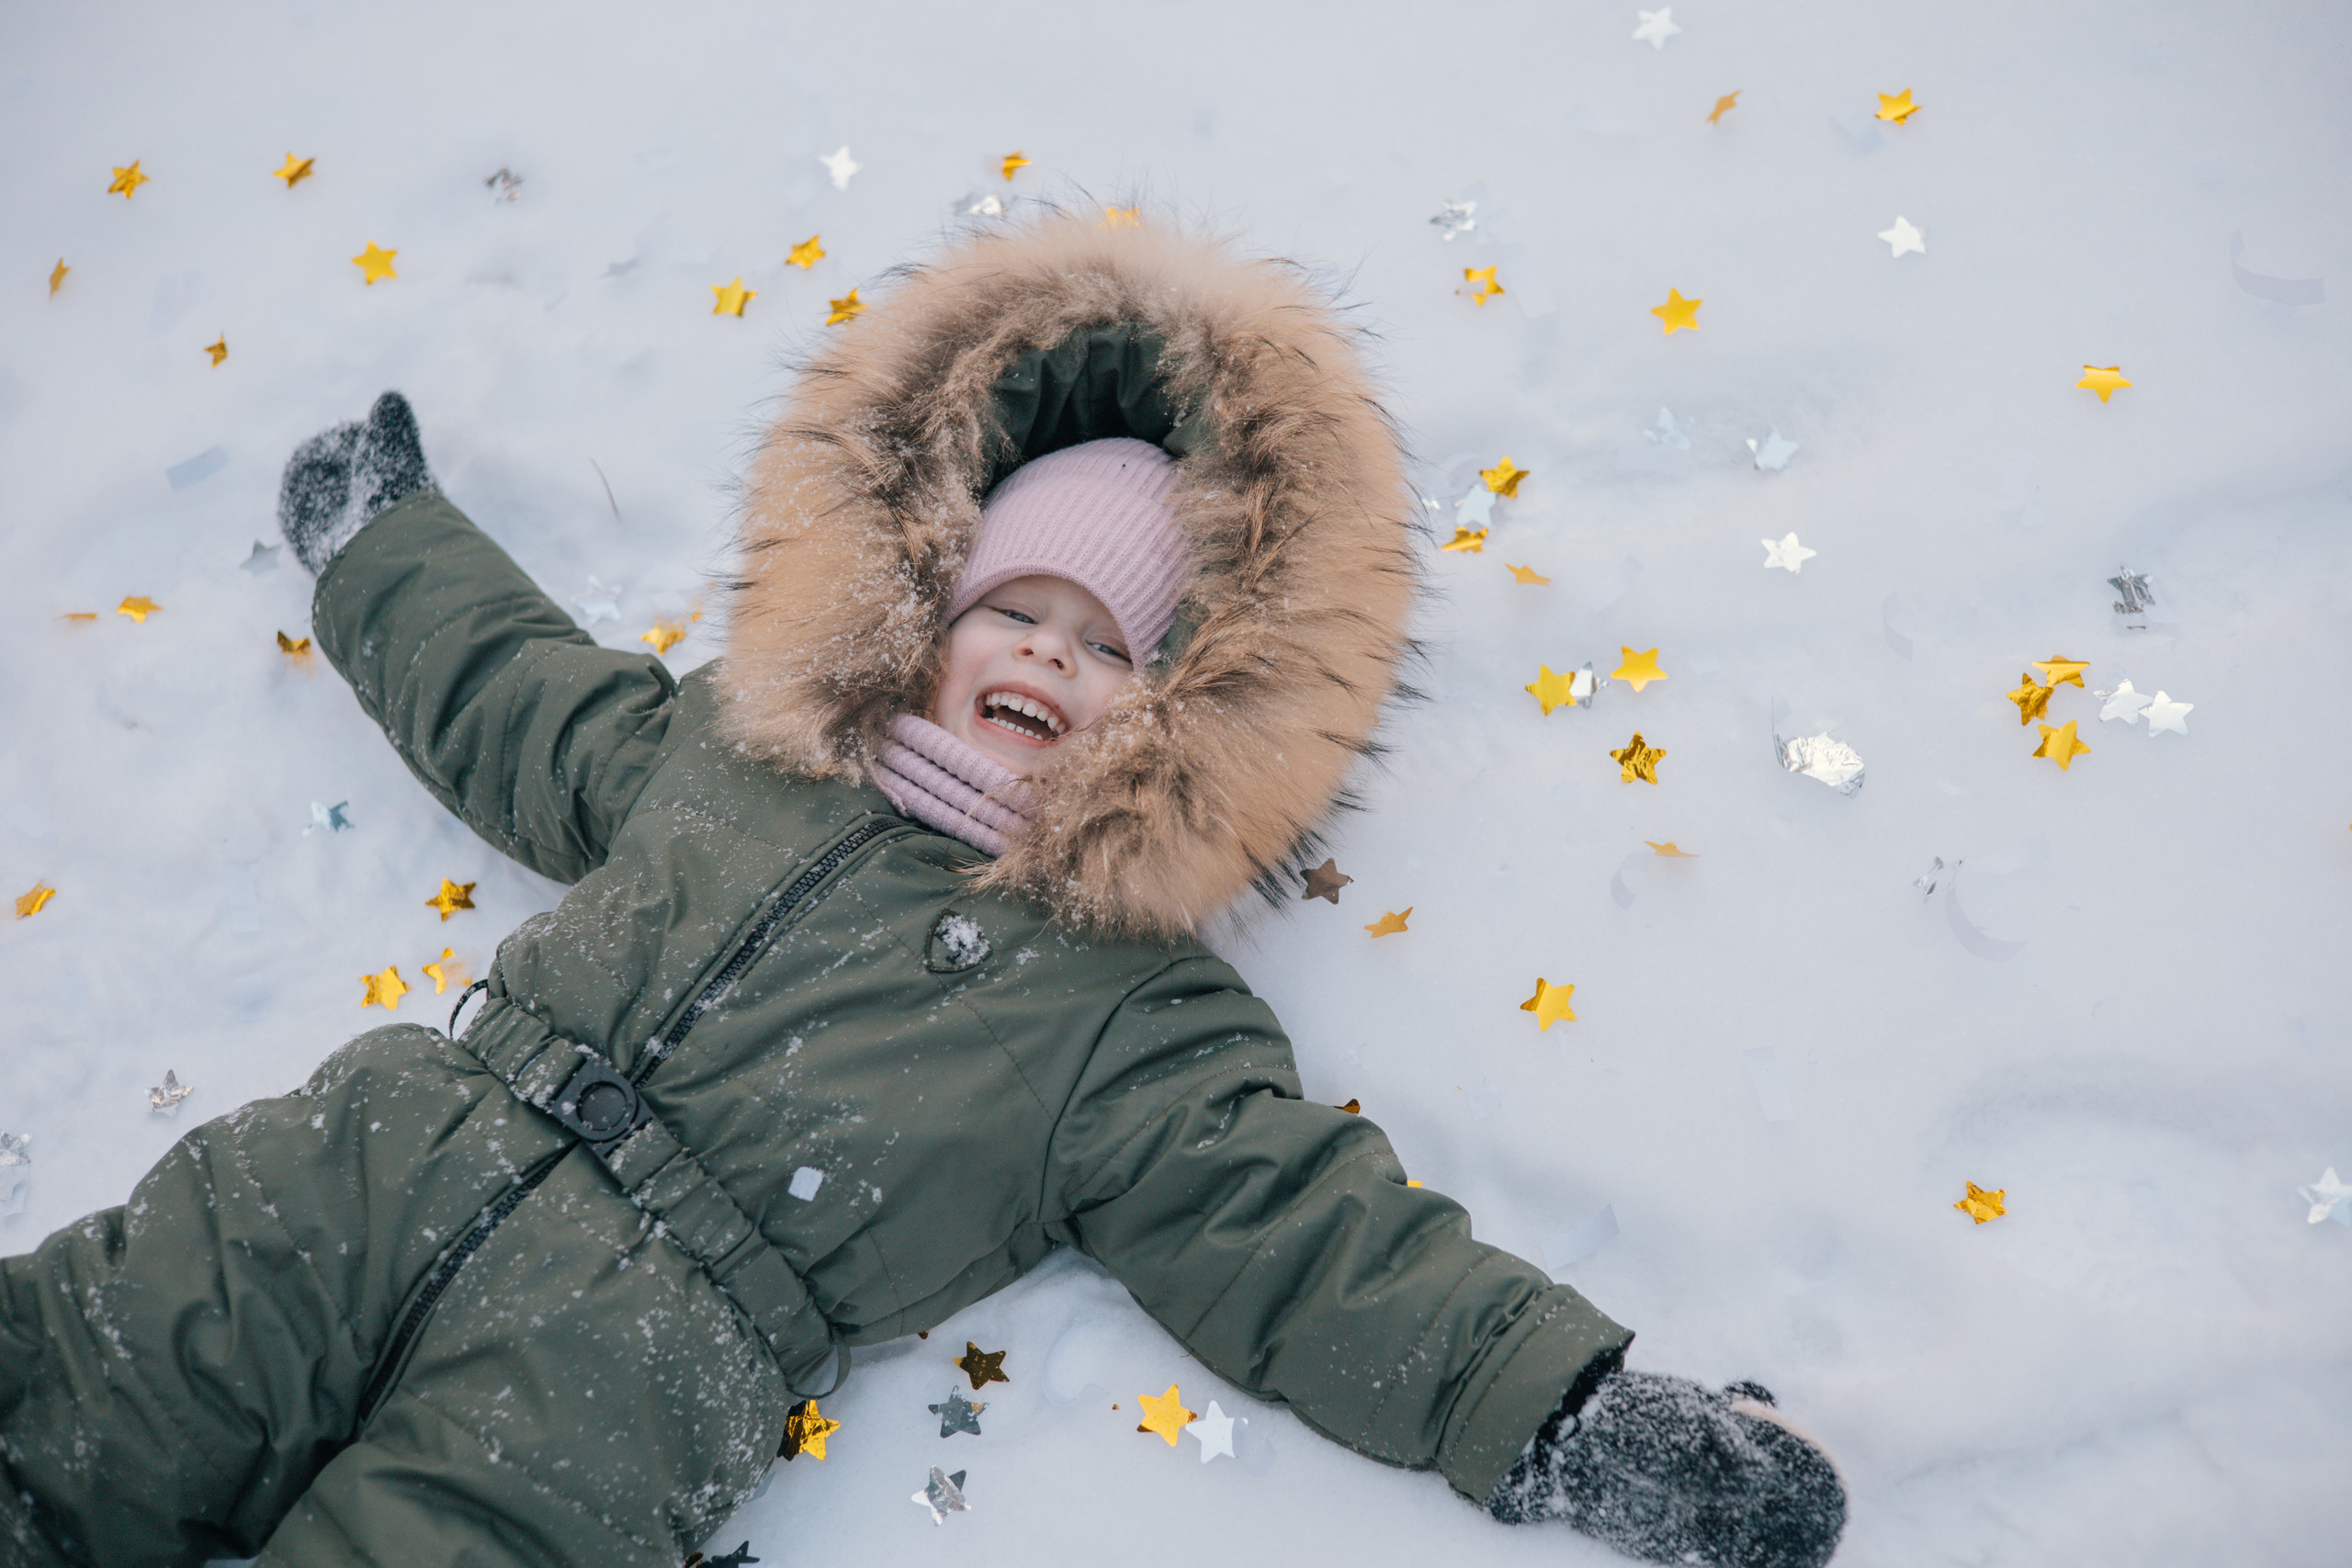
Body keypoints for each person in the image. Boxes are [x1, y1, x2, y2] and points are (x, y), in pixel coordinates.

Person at [0, 213, 1844, 1568]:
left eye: (1110, 647)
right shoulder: (737, 751)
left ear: (1193, 706)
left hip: (637, 1361)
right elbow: (514, 697)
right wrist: (380, 539)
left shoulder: (1123, 1012)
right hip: (372, 1158)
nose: (1043, 655)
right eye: (1011, 609)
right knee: (88, 1370)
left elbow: (1305, 1241)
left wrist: (1576, 1416)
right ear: (931, 609)